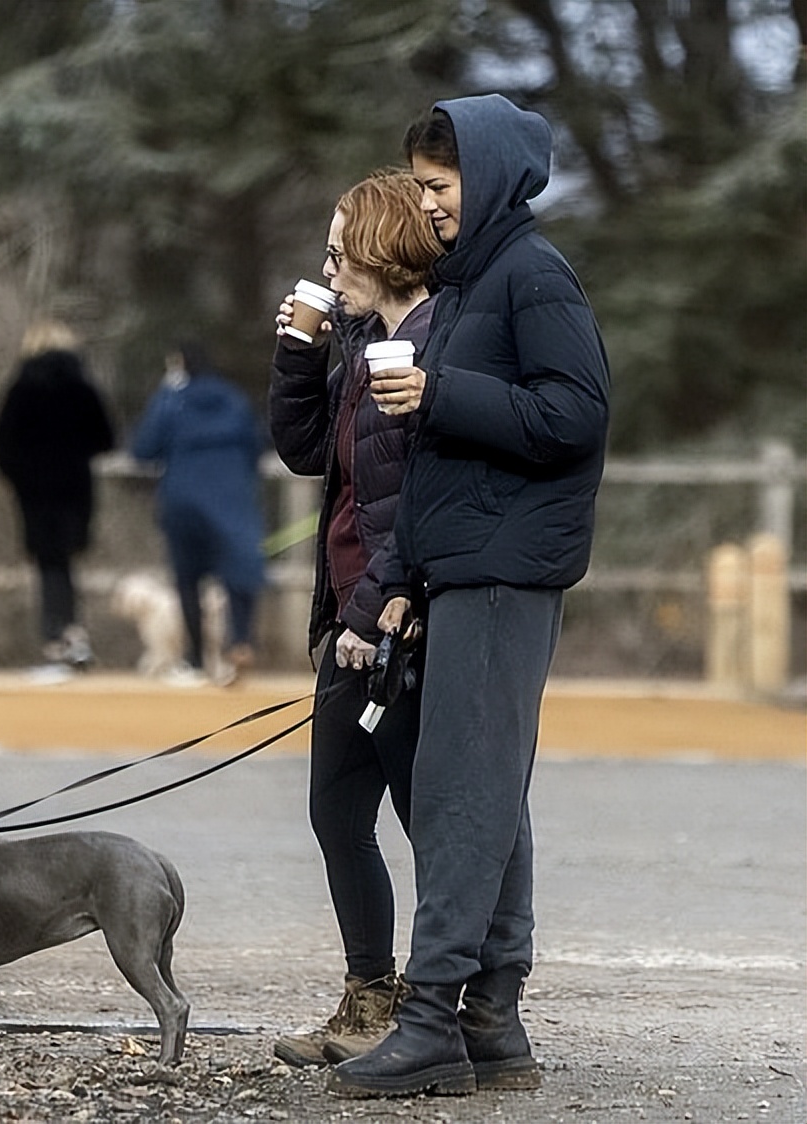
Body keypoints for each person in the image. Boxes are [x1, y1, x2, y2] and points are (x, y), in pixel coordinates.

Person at [326, 96, 610, 1099]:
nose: (427, 206)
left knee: (459, 796)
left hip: (505, 572)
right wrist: (398, 578)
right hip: (462, 566)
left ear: (485, 179)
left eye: (438, 188)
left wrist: (439, 395)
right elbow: (443, 467)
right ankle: (491, 1022)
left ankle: (432, 1019)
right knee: (486, 798)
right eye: (419, 186)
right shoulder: (473, 277)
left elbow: (576, 413)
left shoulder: (531, 275)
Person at [266, 169, 444, 1066]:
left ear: (379, 251)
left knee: (429, 820)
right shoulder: (363, 343)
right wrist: (300, 352)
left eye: (339, 252)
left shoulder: (425, 350)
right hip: (348, 618)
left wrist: (374, 611)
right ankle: (369, 997)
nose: (328, 268)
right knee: (337, 814)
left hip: (400, 625)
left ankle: (451, 1008)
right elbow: (305, 454)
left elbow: (420, 504)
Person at [130, 341, 267, 685]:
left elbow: (143, 449)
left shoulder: (172, 400)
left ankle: (194, 658)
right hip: (233, 495)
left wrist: (164, 393)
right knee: (239, 570)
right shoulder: (234, 400)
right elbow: (256, 445)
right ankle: (241, 641)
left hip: (183, 498)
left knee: (188, 579)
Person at [0, 319, 115, 671]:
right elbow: (105, 437)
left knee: (48, 563)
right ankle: (71, 633)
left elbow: (2, 443)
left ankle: (57, 638)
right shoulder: (82, 386)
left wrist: (18, 475)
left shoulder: (21, 387)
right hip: (75, 487)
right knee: (66, 560)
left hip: (34, 490)